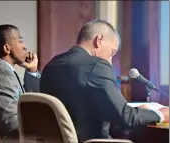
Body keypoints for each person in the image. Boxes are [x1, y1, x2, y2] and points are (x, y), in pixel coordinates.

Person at [39, 19, 169, 142]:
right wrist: (160, 114)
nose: (110, 60)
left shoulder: (51, 65)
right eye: (112, 52)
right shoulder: (97, 65)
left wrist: (137, 111)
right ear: (99, 40)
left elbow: (80, 108)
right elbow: (126, 118)